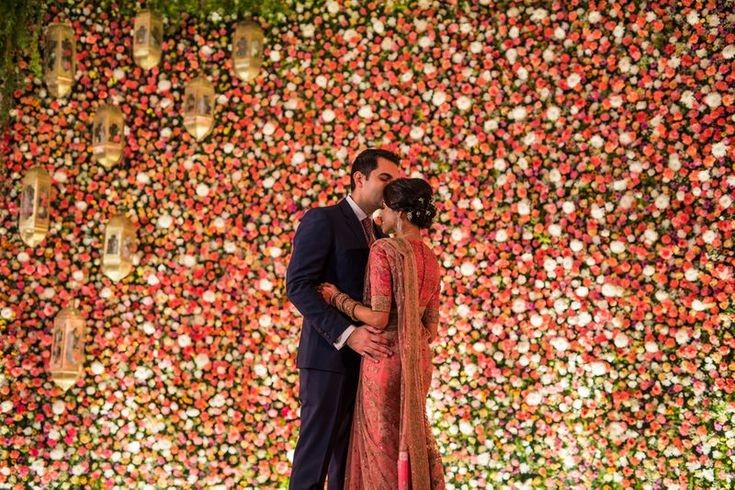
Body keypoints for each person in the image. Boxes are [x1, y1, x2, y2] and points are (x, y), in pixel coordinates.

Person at [318, 178, 445, 489]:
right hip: (417, 362)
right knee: (409, 435)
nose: (381, 217)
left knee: (381, 445)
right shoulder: (430, 257)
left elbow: (377, 317)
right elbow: (431, 329)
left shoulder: (385, 249)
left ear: (400, 214)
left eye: (386, 210)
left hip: (384, 357)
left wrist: (337, 298)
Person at [286, 149, 402, 489]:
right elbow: (299, 286)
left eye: (397, 181)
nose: (392, 188)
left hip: (368, 364)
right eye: (385, 178)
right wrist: (349, 334)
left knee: (349, 463)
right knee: (315, 457)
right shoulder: (323, 220)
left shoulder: (381, 237)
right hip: (328, 358)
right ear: (359, 178)